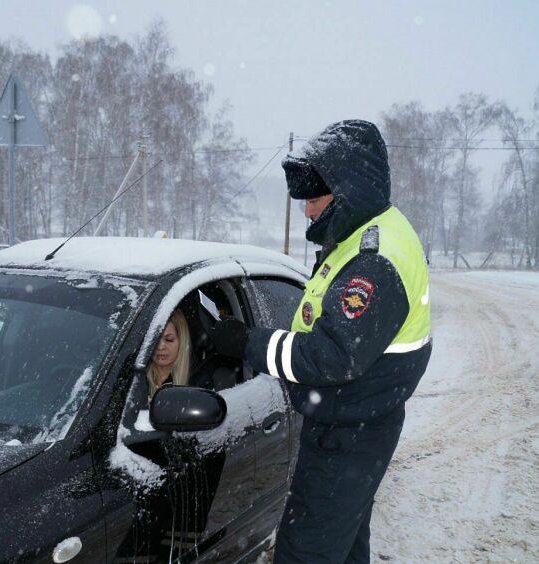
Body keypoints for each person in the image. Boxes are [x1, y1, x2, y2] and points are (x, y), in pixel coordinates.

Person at [212, 119, 432, 563]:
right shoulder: (364, 234)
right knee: (345, 544)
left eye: (315, 199)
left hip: (350, 430)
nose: (309, 212)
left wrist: (245, 342)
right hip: (361, 417)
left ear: (350, 189)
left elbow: (331, 357)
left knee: (305, 551)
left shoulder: (374, 260)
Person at [147, 309, 191, 398]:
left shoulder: (196, 383)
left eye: (169, 339)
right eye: (155, 339)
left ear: (182, 341)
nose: (160, 347)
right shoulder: (134, 378)